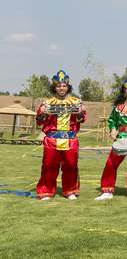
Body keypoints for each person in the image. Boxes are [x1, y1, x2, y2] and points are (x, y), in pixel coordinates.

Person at [35, 70, 86, 200]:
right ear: (54, 87)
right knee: (48, 166)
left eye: (64, 85)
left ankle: (70, 191)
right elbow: (40, 122)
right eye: (58, 86)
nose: (61, 88)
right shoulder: (47, 102)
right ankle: (46, 191)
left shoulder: (76, 102)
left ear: (68, 87)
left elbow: (81, 119)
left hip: (70, 139)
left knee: (71, 165)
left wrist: (80, 112)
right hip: (52, 139)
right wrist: (42, 113)